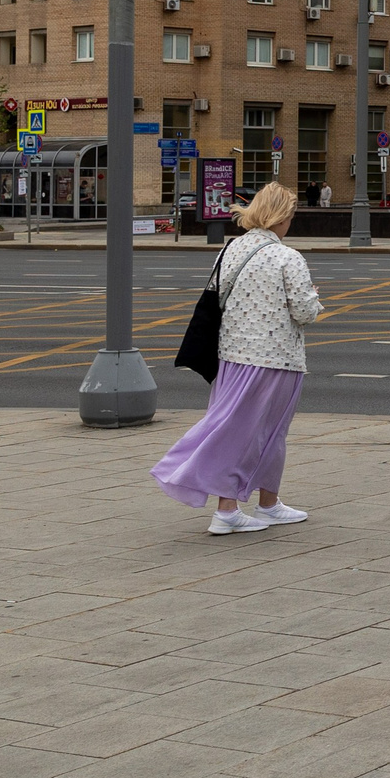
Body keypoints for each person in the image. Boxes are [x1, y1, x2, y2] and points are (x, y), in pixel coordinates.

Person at [150, 182, 321, 535]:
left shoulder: (230, 249)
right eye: (291, 216)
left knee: (240, 427)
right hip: (276, 360)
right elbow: (304, 312)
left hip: (231, 356)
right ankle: (228, 511)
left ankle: (269, 503)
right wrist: (315, 299)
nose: (291, 223)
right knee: (259, 432)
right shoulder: (288, 257)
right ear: (281, 217)